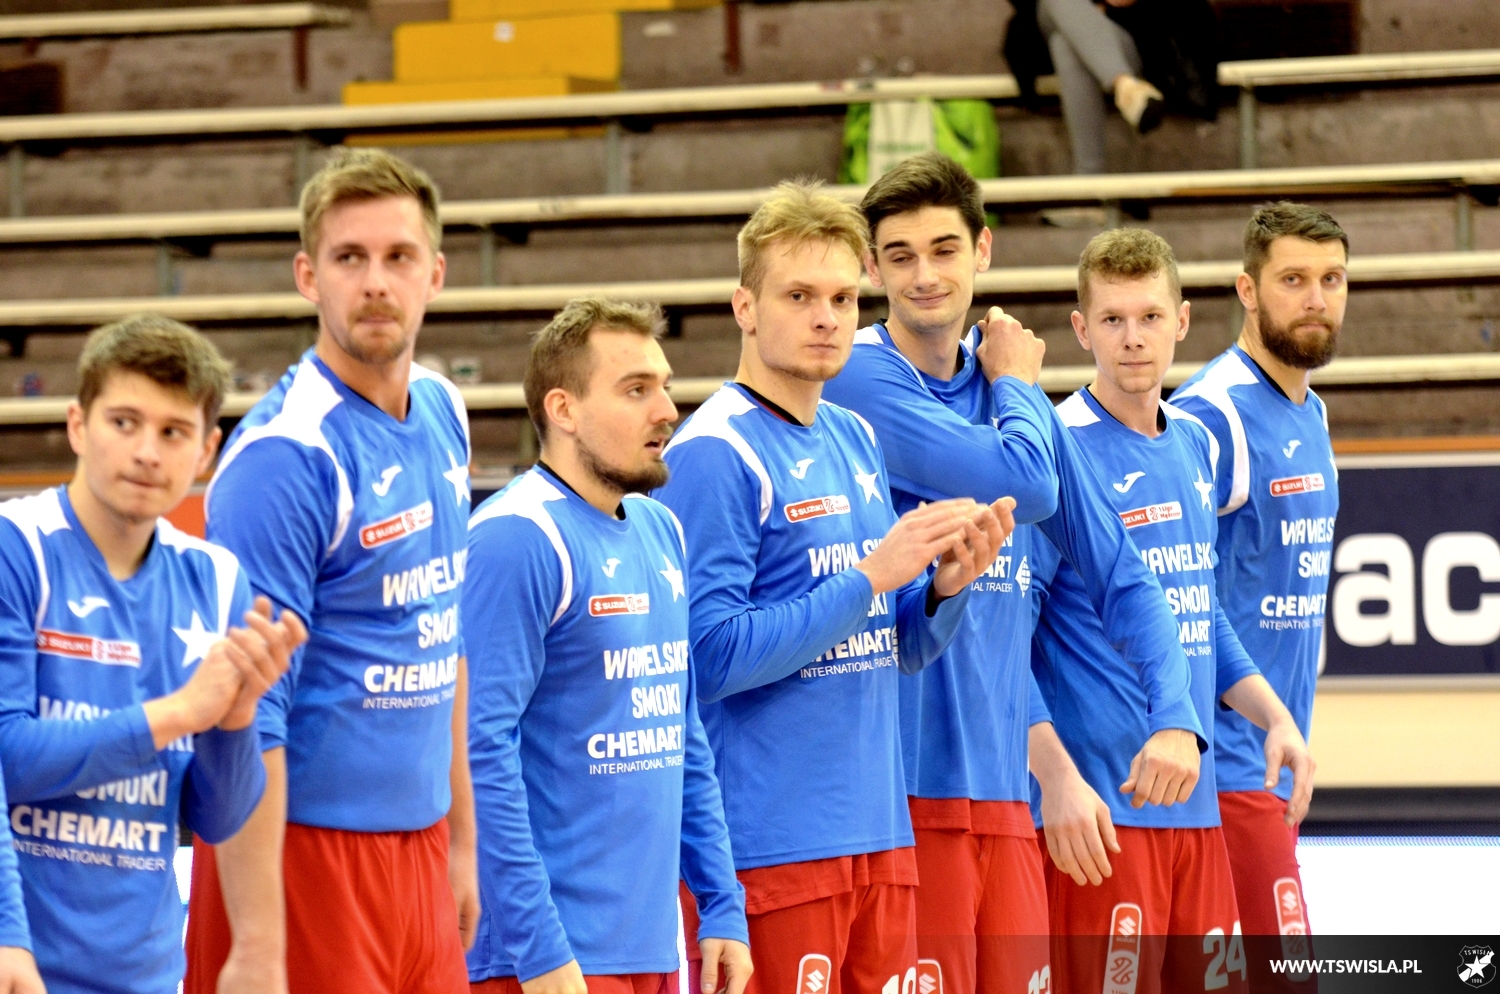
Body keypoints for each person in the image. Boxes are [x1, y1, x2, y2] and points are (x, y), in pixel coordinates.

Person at [822, 151, 1224, 994]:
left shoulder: (1020, 404)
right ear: (871, 268)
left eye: (944, 249)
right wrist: (1014, 385)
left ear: (983, 250)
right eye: (900, 256)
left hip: (1003, 790)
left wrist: (1176, 715)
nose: (925, 276)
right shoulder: (860, 375)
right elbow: (1028, 484)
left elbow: (1125, 577)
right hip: (903, 790)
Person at [655, 180, 1013, 994]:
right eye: (800, 297)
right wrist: (867, 578)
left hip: (880, 834)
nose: (826, 318)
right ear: (745, 308)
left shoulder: (853, 435)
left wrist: (941, 592)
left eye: (844, 298)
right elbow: (705, 657)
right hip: (769, 847)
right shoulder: (713, 452)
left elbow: (895, 646)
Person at [183, 148, 478, 994]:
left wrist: (463, 841)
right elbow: (248, 713)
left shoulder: (444, 409)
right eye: (350, 258)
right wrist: (259, 944)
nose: (376, 282)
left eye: (398, 257)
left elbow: (444, 634)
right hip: (303, 854)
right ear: (309, 276)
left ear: (435, 274)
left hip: (419, 848)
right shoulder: (286, 456)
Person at [1027, 227, 1315, 993]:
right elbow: (1001, 647)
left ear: (1182, 321)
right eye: (1113, 320)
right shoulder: (1053, 450)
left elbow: (1200, 611)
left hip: (1196, 807)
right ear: (1081, 329)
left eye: (1150, 317)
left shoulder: (1193, 443)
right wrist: (1055, 779)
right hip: (1104, 817)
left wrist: (1274, 717)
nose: (1133, 338)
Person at [0, 315, 304, 994]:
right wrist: (180, 713)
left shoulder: (216, 578)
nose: (147, 452)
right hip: (23, 968)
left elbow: (215, 817)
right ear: (78, 425)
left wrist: (234, 723)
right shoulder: (16, 547)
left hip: (147, 974)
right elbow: (8, 757)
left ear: (206, 450)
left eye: (173, 432)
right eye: (124, 422)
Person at [463, 296, 752, 994]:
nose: (667, 411)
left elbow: (681, 734)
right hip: (544, 957)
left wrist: (721, 903)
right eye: (636, 390)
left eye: (664, 387)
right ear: (563, 409)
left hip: (649, 946)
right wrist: (538, 947)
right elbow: (478, 753)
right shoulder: (515, 537)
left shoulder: (660, 528)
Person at [1171, 202, 1344, 984]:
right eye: (1293, 280)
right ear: (1247, 290)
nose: (1316, 299)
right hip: (1223, 767)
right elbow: (1172, 588)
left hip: (1273, 762)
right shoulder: (1212, 414)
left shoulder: (1312, 410)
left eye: (1332, 279)